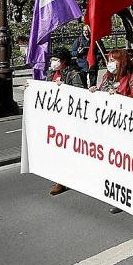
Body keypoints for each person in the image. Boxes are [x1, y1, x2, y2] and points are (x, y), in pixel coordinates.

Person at [89, 49, 133, 214]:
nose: (110, 63)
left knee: (124, 165)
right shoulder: (106, 77)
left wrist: (120, 96)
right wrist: (95, 92)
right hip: (108, 128)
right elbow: (101, 96)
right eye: (109, 60)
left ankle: (124, 198)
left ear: (123, 62)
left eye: (114, 60)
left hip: (125, 130)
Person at [46, 46, 86, 196]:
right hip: (55, 118)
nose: (52, 62)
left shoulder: (73, 74)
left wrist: (65, 89)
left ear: (63, 61)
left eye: (55, 60)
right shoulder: (51, 74)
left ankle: (66, 179)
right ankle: (60, 179)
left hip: (69, 120)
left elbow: (80, 94)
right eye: (52, 59)